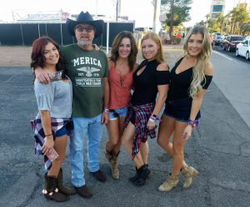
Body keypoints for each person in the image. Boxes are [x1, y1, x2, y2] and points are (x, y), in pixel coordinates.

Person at [35, 11, 109, 198]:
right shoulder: (65, 51)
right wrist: (37, 70)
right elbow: (44, 58)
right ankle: (78, 181)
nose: (85, 32)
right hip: (76, 113)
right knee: (76, 149)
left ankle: (93, 167)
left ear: (94, 33)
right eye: (80, 28)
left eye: (89, 29)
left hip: (98, 111)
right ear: (75, 32)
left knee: (95, 143)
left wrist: (106, 108)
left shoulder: (101, 55)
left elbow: (105, 82)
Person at [157, 26, 214, 192]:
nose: (194, 45)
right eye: (191, 41)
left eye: (199, 42)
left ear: (205, 44)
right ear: (186, 41)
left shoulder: (206, 66)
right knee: (161, 140)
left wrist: (191, 122)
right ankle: (186, 169)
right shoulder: (183, 58)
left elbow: (198, 97)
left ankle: (173, 178)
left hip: (185, 111)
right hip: (171, 107)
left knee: (177, 148)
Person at [30, 36, 76, 202]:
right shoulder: (43, 81)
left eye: (54, 49)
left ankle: (58, 185)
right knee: (57, 158)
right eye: (46, 52)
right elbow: (44, 112)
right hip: (54, 124)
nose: (52, 54)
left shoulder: (55, 74)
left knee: (57, 158)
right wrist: (49, 137)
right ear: (39, 56)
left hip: (62, 121)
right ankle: (49, 190)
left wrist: (37, 68)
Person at [121, 32, 170, 186]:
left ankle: (142, 168)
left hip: (144, 109)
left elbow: (162, 96)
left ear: (158, 46)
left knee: (125, 140)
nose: (147, 49)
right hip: (134, 107)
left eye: (150, 46)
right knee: (142, 140)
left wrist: (153, 118)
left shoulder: (161, 66)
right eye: (144, 46)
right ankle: (142, 169)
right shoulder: (144, 63)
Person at [104, 31, 138, 180]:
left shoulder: (135, 66)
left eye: (128, 46)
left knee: (121, 141)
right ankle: (108, 153)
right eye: (122, 45)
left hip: (126, 108)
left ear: (132, 48)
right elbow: (101, 84)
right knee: (114, 140)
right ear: (117, 46)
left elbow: (140, 87)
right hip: (110, 108)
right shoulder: (109, 62)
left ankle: (114, 163)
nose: (125, 49)